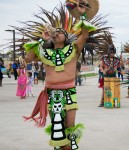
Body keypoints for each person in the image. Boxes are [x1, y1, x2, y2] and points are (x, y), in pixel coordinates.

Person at [23, 3, 96, 149]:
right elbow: (28, 57)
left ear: (66, 37)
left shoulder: (74, 49)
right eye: (54, 32)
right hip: (53, 92)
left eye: (60, 32)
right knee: (58, 127)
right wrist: (43, 39)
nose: (56, 33)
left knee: (70, 126)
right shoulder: (44, 52)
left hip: (70, 91)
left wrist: (82, 14)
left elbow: (85, 34)